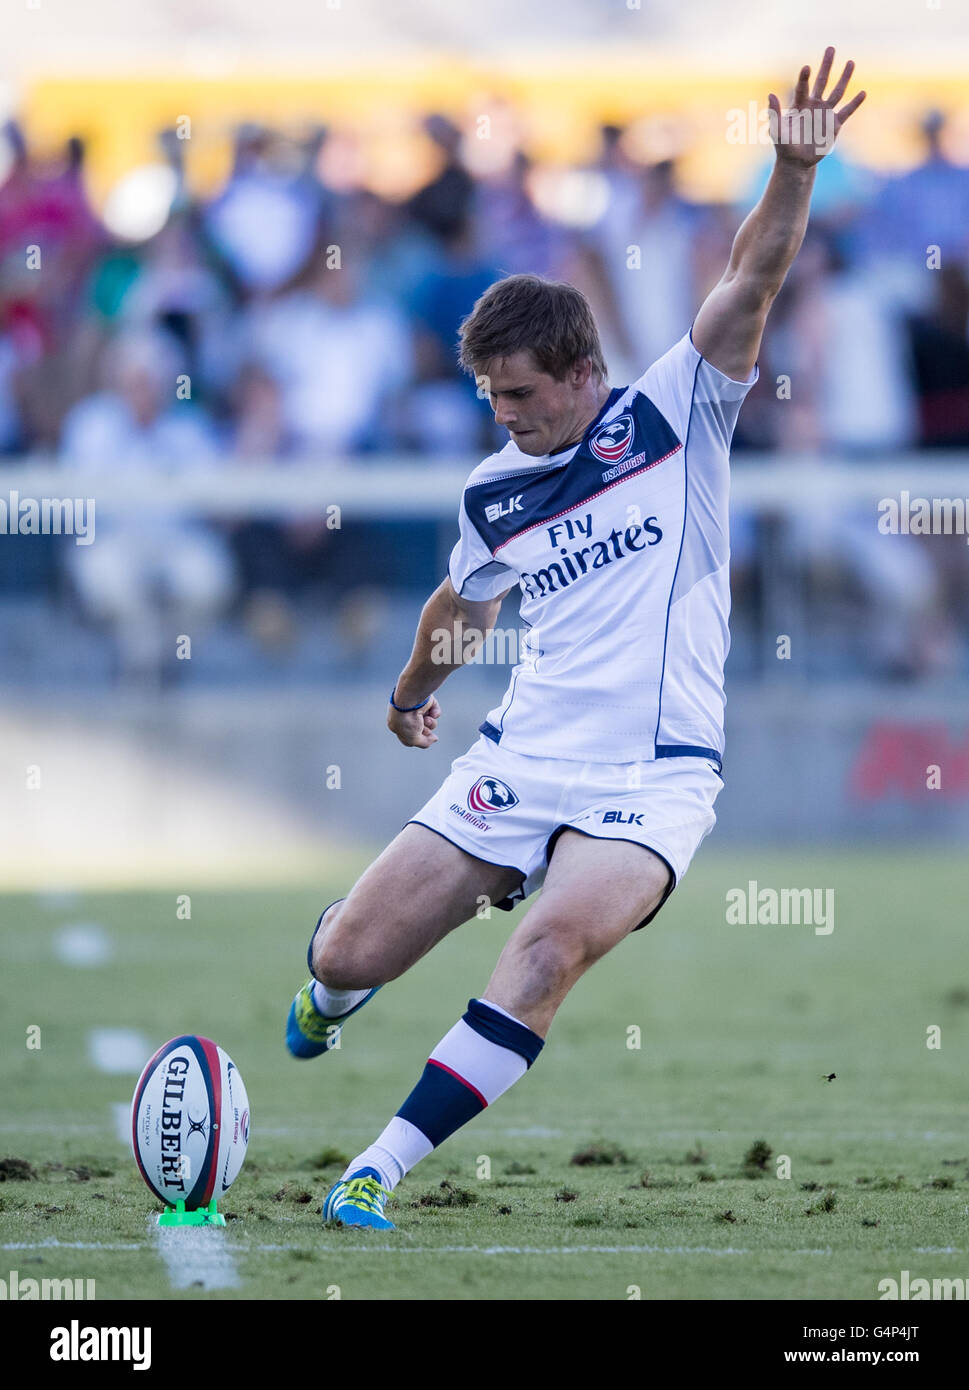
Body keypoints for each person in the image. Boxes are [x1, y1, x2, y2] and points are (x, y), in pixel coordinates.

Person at [285, 49, 866, 1229]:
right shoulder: (495, 490)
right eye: (489, 398)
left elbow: (752, 277)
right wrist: (408, 696)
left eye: (517, 395)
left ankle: (377, 1169)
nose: (500, 418)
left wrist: (792, 169)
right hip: (523, 753)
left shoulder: (676, 409)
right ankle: (329, 996)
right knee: (351, 953)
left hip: (656, 777)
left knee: (546, 956)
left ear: (583, 373)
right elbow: (464, 608)